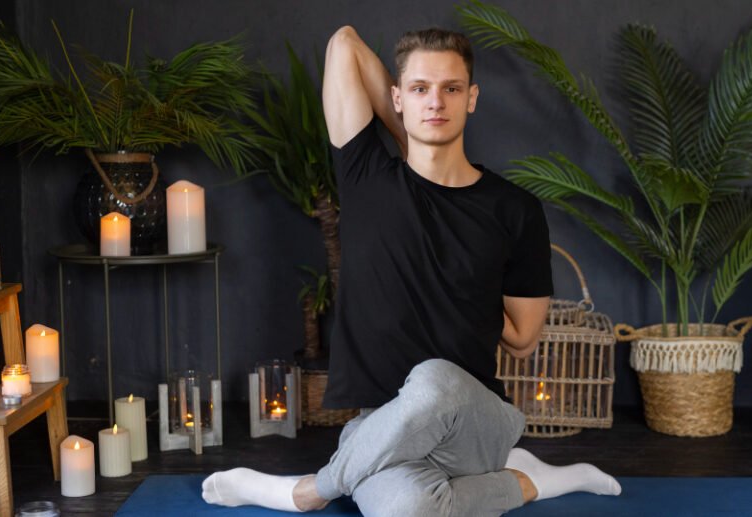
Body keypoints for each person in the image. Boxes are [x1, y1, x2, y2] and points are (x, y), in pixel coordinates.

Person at [202, 25, 621, 516]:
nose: (435, 102)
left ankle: (305, 492)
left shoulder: (514, 208)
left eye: (451, 89)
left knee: (434, 381)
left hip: (473, 422)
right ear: (397, 97)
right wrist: (412, 139)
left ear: (473, 98)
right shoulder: (366, 177)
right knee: (409, 509)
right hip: (381, 426)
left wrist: (466, 287)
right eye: (420, 89)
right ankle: (530, 481)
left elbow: (524, 339)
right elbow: (343, 44)